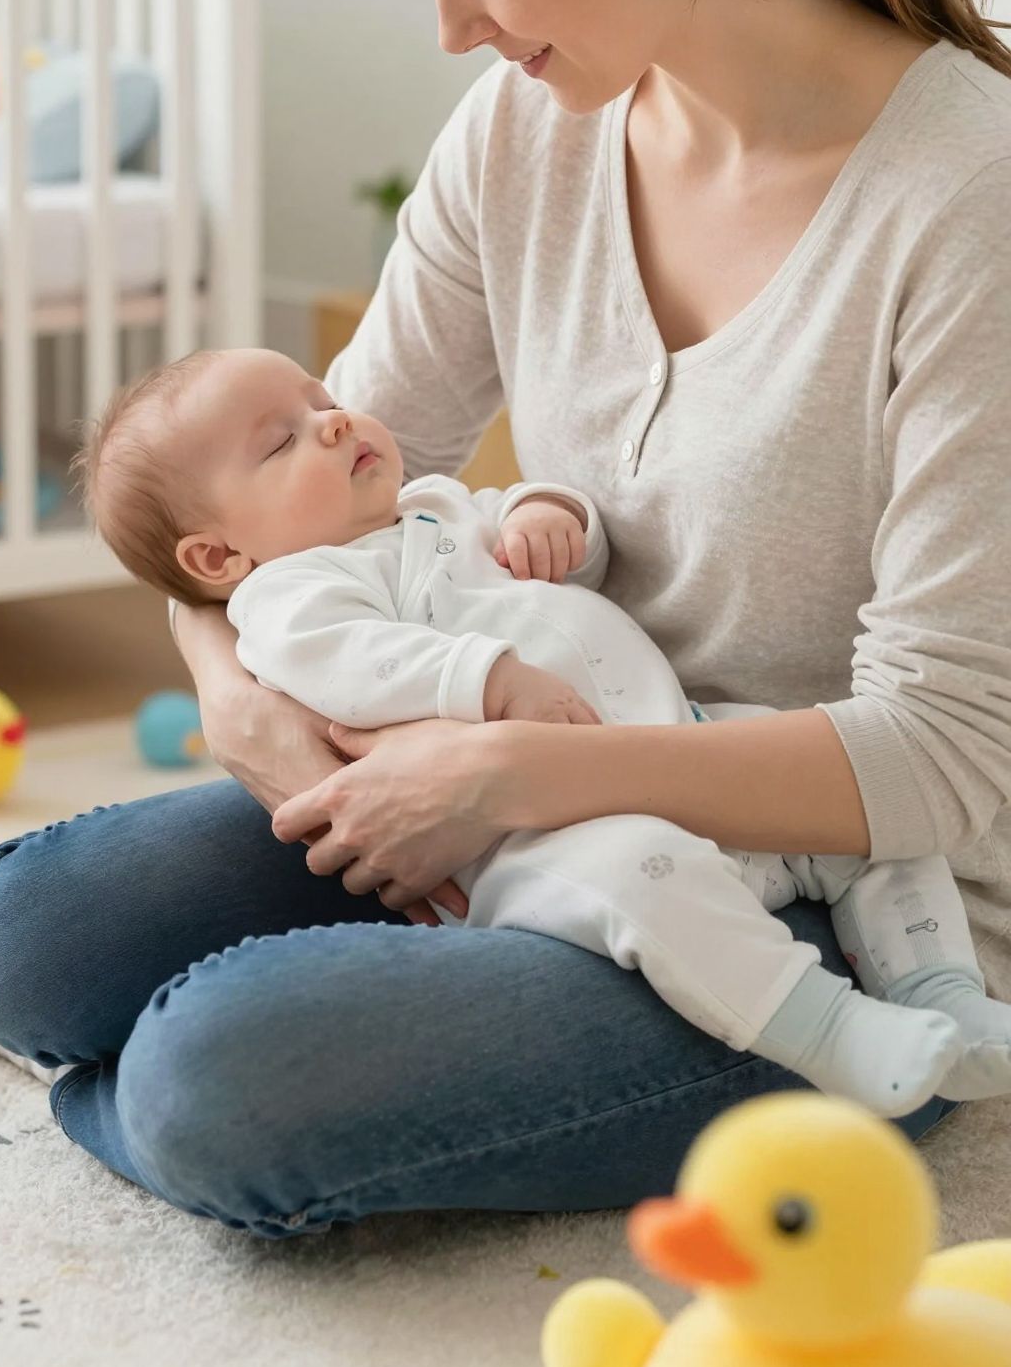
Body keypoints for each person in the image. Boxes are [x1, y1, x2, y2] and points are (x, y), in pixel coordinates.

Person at [0, 0, 1010, 1237]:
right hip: (508, 815)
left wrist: (501, 765)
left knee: (213, 1082)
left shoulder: (963, 200)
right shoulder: (526, 133)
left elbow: (946, 756)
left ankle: (849, 1072)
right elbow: (271, 508)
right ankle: (358, 1017)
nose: (454, 32)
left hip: (827, 902)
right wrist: (244, 703)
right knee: (20, 937)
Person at [60, 342, 1011, 1114]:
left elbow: (524, 529)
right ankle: (831, 1031)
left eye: (323, 399)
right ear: (220, 554)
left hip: (690, 743)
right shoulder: (292, 591)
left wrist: (549, 513)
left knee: (876, 837)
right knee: (646, 884)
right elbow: (339, 659)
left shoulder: (427, 508)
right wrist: (489, 677)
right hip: (551, 838)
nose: (335, 420)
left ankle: (941, 993)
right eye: (283, 442)